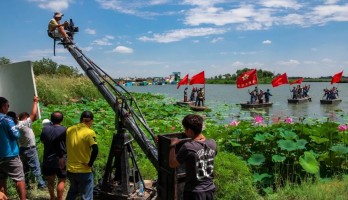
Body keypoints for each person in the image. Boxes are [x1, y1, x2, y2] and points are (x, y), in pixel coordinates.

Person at [169, 114, 217, 200]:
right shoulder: (213, 143)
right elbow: (202, 146)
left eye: (185, 129)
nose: (185, 132)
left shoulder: (188, 147)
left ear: (190, 131)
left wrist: (172, 146)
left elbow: (172, 164)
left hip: (194, 192)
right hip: (210, 190)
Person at [66, 111, 98, 200]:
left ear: (81, 119)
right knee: (86, 195)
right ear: (91, 121)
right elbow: (95, 149)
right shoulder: (89, 132)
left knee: (73, 191)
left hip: (70, 169)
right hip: (84, 170)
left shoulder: (70, 129)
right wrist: (90, 164)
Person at [16, 96, 46, 190]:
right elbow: (33, 113)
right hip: (30, 149)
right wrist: (35, 102)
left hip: (22, 149)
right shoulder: (25, 123)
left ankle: (27, 184)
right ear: (26, 118)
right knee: (36, 167)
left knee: (25, 168)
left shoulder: (17, 125)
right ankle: (41, 184)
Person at [0, 97, 26, 200]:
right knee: (19, 179)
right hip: (10, 154)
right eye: (7, 106)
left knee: (1, 179)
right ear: (2, 107)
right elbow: (16, 135)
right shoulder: (6, 119)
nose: (8, 108)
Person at [40, 111, 67, 200]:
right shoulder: (65, 130)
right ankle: (60, 198)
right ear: (62, 119)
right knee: (61, 180)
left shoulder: (45, 129)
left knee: (50, 180)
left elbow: (42, 141)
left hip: (48, 159)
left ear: (51, 119)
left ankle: (52, 197)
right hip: (61, 159)